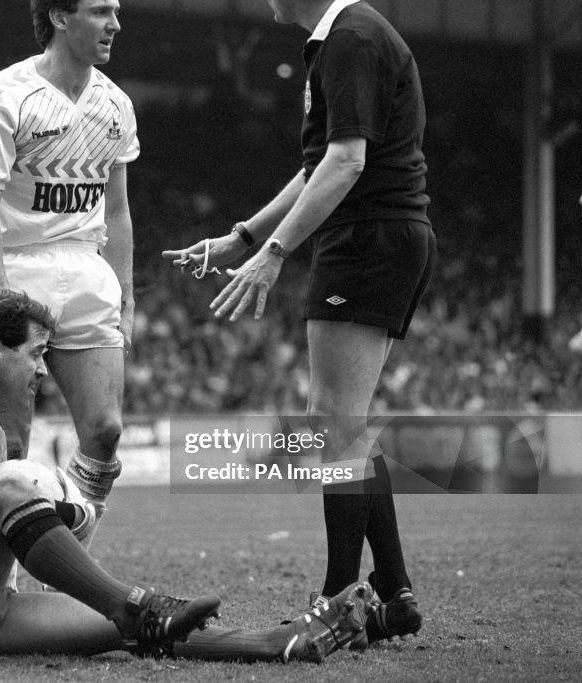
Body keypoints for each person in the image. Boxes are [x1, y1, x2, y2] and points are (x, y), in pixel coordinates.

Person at [0, 289, 372, 662]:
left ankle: (279, 640)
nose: (42, 370)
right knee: (14, 484)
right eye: (36, 354)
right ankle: (135, 607)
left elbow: (4, 523)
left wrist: (59, 506)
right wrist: (62, 498)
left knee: (132, 631)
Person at [162, 0, 434, 644]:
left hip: (367, 236)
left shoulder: (352, 38)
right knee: (346, 425)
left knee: (334, 422)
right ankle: (393, 594)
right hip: (381, 234)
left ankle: (340, 600)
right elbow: (321, 163)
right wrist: (246, 236)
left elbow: (347, 162)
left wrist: (274, 254)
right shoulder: (341, 38)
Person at [0, 0, 136, 542]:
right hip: (16, 269)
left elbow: (118, 210)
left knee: (105, 432)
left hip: (87, 270)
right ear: (60, 18)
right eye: (101, 11)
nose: (115, 24)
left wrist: (127, 300)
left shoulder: (116, 105)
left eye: (116, 10)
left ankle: (71, 557)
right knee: (11, 448)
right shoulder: (3, 95)